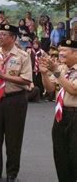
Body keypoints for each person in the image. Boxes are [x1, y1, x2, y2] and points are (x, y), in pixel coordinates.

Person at [0, 24, 32, 182]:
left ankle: (12, 173)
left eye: (3, 34)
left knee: (14, 137)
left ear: (13, 37)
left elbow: (25, 79)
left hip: (15, 99)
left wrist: (4, 76)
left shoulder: (23, 56)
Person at [39, 39, 77, 182]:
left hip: (75, 115)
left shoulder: (58, 70)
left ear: (75, 53)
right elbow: (49, 89)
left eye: (64, 51)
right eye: (59, 50)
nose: (60, 53)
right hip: (61, 115)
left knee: (74, 155)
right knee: (60, 154)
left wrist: (55, 71)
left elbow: (73, 89)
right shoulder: (61, 69)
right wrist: (44, 74)